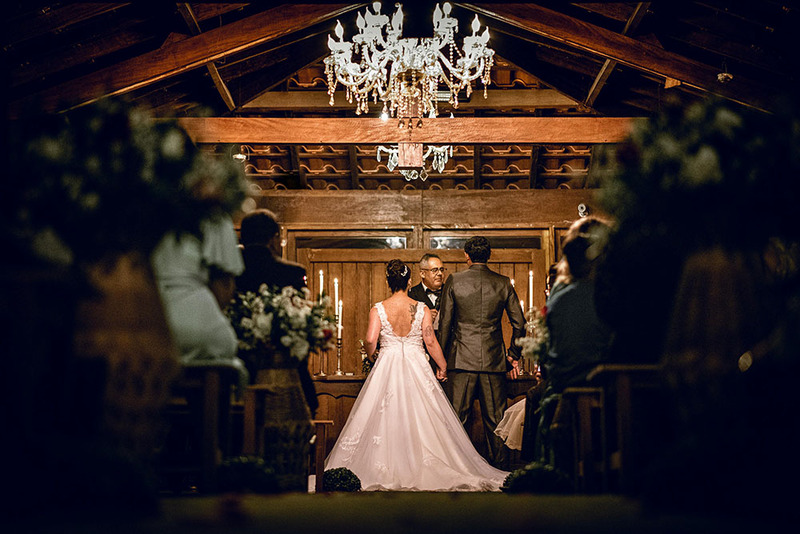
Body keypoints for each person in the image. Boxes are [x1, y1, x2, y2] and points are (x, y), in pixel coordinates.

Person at [324, 260, 509, 491]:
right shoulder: (420, 308)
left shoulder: (378, 308)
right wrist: (442, 366)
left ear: (388, 282)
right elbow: (430, 339)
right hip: (416, 364)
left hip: (387, 364)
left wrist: (373, 357)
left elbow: (370, 340)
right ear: (410, 281)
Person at [437, 236, 527, 468]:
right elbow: (520, 324)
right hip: (493, 361)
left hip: (460, 360)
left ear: (466, 255)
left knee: (457, 419)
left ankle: (458, 470)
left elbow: (445, 323)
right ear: (489, 255)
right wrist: (513, 355)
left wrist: (441, 360)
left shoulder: (454, 280)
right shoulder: (503, 282)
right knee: (496, 421)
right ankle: (501, 474)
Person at [535, 216, 613, 471]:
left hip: (568, 383)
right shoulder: (609, 291)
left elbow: (552, 353)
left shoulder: (560, 294)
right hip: (604, 384)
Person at [235, 208, 318, 417]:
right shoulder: (292, 272)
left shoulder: (233, 272)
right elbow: (299, 324)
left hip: (239, 377)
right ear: (274, 239)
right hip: (287, 375)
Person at [151, 213, 248, 383]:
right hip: (198, 324)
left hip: (148, 319)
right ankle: (211, 407)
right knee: (221, 350)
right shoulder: (213, 214)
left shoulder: (144, 209)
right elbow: (223, 284)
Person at [408, 252, 446, 371]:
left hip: (447, 352)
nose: (439, 274)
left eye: (441, 269)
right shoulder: (411, 294)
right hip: (421, 356)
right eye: (434, 270)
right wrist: (424, 317)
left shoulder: (451, 292)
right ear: (422, 273)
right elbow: (409, 323)